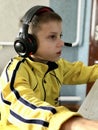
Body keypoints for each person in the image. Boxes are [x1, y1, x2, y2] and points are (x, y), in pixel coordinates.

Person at [0, 5, 98, 130]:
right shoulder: (15, 71)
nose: (61, 43)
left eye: (60, 36)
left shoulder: (57, 65)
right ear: (29, 42)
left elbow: (82, 72)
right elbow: (23, 106)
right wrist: (72, 123)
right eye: (52, 37)